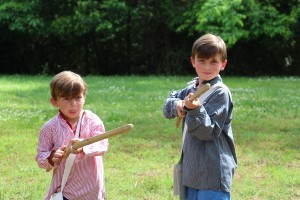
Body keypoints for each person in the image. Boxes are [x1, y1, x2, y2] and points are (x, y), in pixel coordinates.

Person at [163, 33, 237, 200]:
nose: (207, 67)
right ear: (193, 61)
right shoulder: (191, 87)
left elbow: (208, 132)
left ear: (223, 64)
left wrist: (195, 110)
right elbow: (167, 108)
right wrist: (177, 105)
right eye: (202, 61)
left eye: (213, 62)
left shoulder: (220, 93)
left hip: (213, 172)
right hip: (193, 170)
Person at [35, 71, 109, 200]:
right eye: (66, 98)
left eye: (78, 97)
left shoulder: (92, 121)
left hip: (92, 190)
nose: (73, 104)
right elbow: (41, 158)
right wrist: (51, 157)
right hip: (65, 190)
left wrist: (84, 146)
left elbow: (103, 146)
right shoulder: (48, 129)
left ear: (84, 97)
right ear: (54, 102)